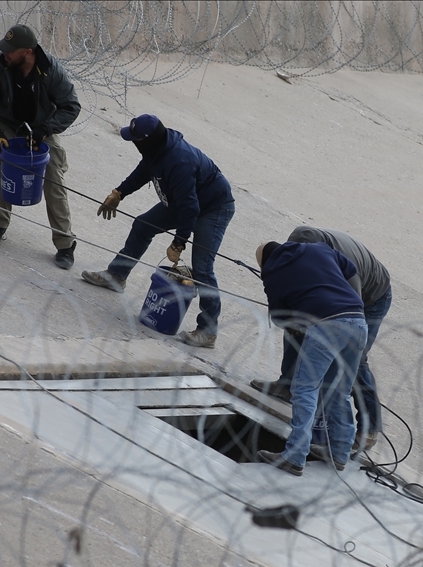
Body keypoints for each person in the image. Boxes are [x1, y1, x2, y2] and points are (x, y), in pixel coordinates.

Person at [81, 114, 236, 349]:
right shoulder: (155, 151)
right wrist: (119, 192)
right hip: (183, 201)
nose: (132, 143)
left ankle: (208, 331)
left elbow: (190, 208)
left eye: (135, 139)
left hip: (213, 208)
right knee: (144, 225)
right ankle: (117, 276)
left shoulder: (178, 161)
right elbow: (144, 172)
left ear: (147, 140)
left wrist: (178, 242)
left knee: (202, 268)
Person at [251, 225, 391, 452]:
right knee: (296, 327)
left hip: (371, 296)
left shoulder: (335, 257)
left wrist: (333, 334)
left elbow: (351, 301)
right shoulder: (302, 251)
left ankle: (370, 429)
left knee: (354, 363)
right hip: (340, 307)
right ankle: (287, 386)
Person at [253, 241, 368, 476]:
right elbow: (352, 271)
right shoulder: (318, 248)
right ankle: (339, 453)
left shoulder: (273, 271)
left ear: (265, 262)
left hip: (326, 325)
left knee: (305, 389)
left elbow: (279, 317)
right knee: (340, 390)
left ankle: (295, 456)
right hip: (358, 321)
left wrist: (299, 325)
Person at [0, 24, 81, 269]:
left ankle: (65, 244)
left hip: (41, 127)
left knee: (53, 176)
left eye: (11, 50)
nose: (5, 54)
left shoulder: (51, 70)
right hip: (7, 124)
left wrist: (46, 129)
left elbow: (71, 106)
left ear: (27, 51)